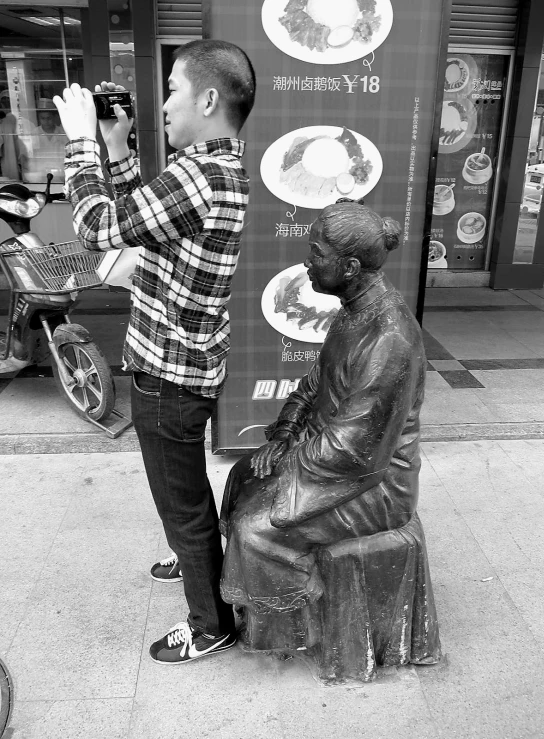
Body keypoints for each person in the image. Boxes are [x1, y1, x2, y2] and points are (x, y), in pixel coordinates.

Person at [53, 39, 256, 664]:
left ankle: (209, 623)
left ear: (209, 97)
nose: (162, 103)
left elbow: (97, 227)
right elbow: (143, 216)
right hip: (181, 364)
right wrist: (115, 151)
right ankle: (191, 556)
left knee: (182, 497)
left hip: (168, 374)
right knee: (182, 491)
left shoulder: (201, 175)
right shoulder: (213, 170)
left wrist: (82, 140)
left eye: (172, 89)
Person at [220, 202, 430, 641]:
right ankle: (265, 613)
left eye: (316, 253)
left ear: (350, 266)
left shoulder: (390, 338)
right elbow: (313, 385)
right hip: (330, 456)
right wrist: (281, 438)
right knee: (242, 475)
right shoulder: (354, 310)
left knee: (257, 528)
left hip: (375, 480)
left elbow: (357, 448)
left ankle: (293, 633)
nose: (306, 261)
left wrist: (288, 461)